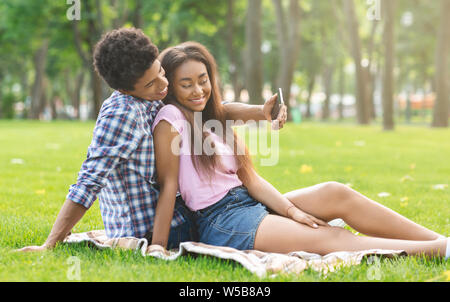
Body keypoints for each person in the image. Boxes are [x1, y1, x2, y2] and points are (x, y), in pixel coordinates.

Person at [151, 41, 449, 259]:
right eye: (186, 84)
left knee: (335, 193)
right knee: (330, 236)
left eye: (203, 81)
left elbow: (251, 180)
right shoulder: (172, 119)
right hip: (221, 221)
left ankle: (441, 241)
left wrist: (292, 210)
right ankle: (440, 251)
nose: (198, 90)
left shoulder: (209, 117)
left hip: (247, 204)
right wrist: (157, 246)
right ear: (172, 88)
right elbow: (169, 187)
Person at [17, 28, 287, 252]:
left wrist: (260, 112)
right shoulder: (121, 115)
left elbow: (214, 109)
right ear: (125, 89)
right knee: (279, 223)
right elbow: (89, 182)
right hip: (153, 230)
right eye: (151, 83)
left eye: (160, 72)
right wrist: (49, 244)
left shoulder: (155, 98)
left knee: (289, 211)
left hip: (188, 216)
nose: (162, 84)